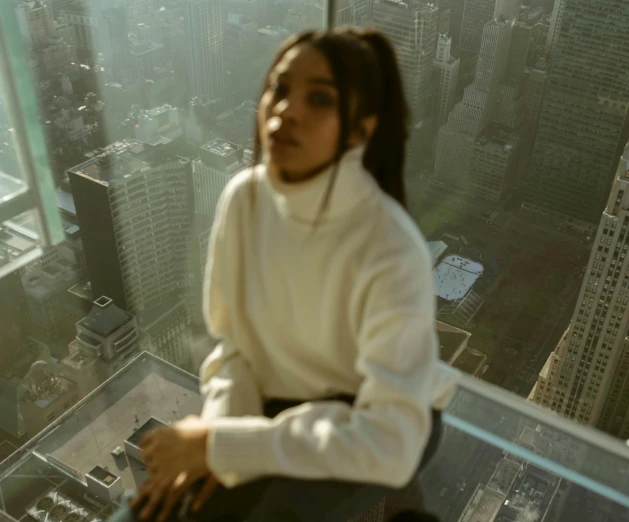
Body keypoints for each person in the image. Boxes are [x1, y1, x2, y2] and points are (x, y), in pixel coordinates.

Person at [108, 27, 458, 522]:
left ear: (361, 129)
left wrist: (225, 446)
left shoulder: (390, 247)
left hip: (380, 422)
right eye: (279, 88)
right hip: (277, 409)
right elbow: (234, 350)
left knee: (278, 513)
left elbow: (391, 439)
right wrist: (219, 447)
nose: (286, 110)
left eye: (319, 99)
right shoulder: (243, 199)